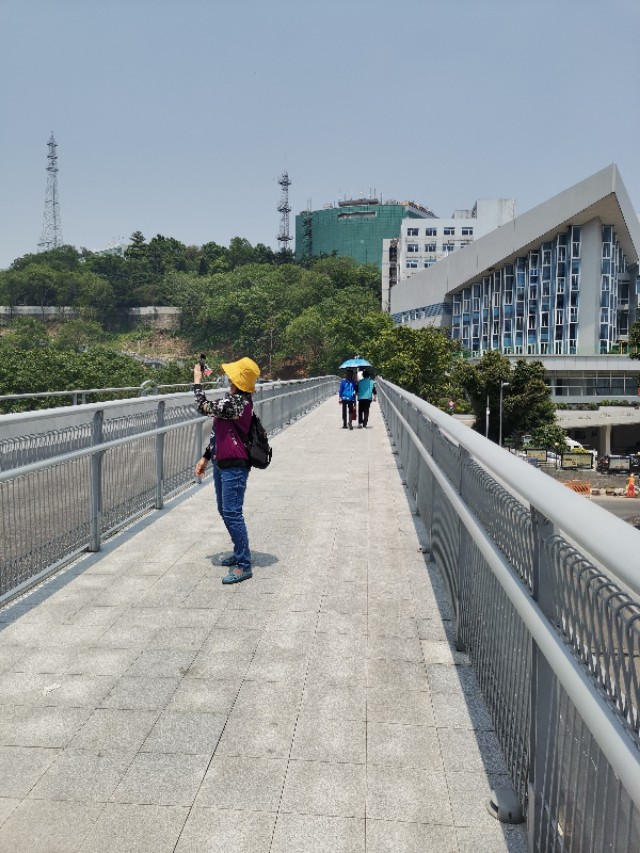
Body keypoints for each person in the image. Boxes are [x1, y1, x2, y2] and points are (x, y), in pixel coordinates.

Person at [192, 357, 260, 584]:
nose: (228, 377)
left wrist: (197, 381)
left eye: (232, 375)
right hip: (222, 463)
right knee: (225, 510)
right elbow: (217, 434)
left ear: (237, 380)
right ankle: (239, 551)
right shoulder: (231, 401)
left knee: (232, 513)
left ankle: (244, 564)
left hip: (235, 467)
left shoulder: (237, 403)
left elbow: (202, 406)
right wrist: (205, 458)